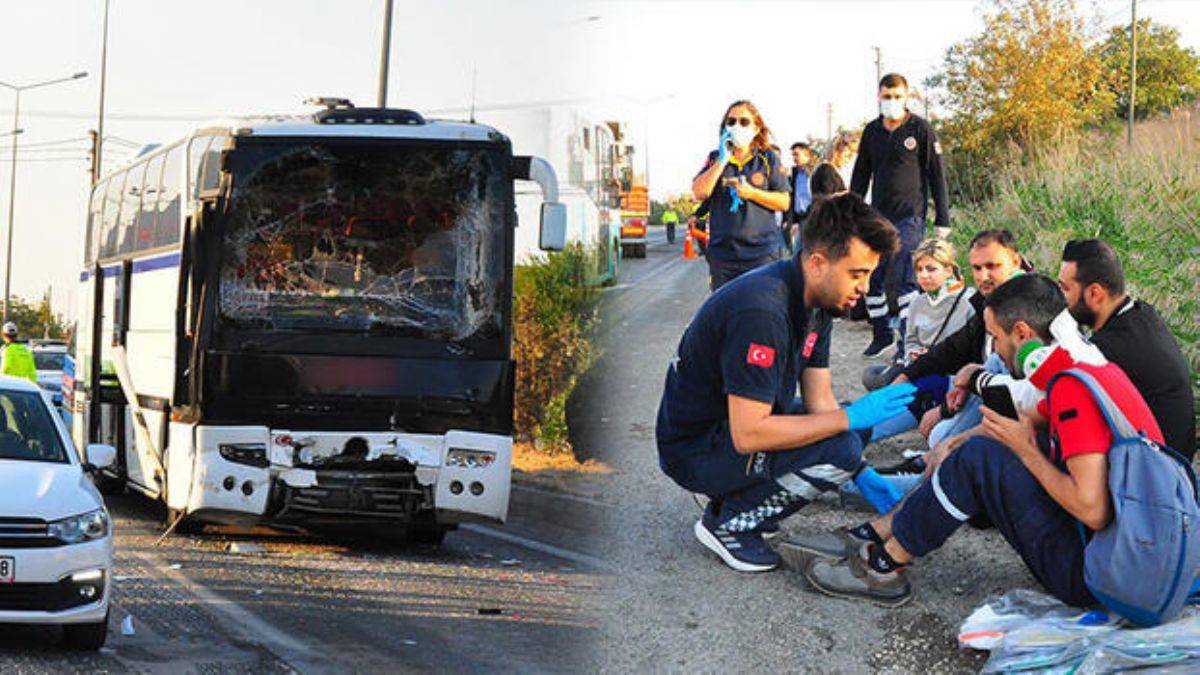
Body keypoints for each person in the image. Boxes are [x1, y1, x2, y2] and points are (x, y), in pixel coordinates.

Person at [794, 274, 1168, 608]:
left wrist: (1021, 450)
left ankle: (883, 567)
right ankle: (877, 533)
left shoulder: (1071, 390)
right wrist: (954, 443)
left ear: (1022, 334)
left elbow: (1092, 509)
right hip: (1132, 559)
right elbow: (1028, 417)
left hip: (1099, 577)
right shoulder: (1087, 367)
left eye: (996, 338)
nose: (996, 349)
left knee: (979, 458)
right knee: (976, 448)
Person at [655, 193, 914, 572]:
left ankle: (737, 496)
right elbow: (749, 434)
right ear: (817, 263)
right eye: (857, 274)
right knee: (841, 441)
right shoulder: (762, 311)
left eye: (869, 274)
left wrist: (860, 470)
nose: (864, 287)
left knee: (850, 435)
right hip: (695, 449)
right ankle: (730, 524)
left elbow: (820, 402)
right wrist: (846, 431)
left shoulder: (819, 304)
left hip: (728, 429)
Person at [1056, 238, 1195, 459]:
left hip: (1155, 471)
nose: (1061, 298)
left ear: (1094, 294)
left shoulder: (1109, 351)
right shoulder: (1141, 314)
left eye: (1065, 289)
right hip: (1172, 460)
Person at [851, 73, 951, 359]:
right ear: (878, 97)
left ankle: (907, 342)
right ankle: (881, 332)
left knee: (907, 279)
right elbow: (861, 175)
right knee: (872, 276)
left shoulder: (920, 129)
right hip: (877, 217)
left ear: (906, 97)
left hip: (911, 216)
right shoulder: (872, 132)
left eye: (897, 96)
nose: (892, 101)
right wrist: (851, 213)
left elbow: (937, 175)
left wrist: (942, 218)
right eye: (887, 96)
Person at [691, 100, 791, 291]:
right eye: (731, 121)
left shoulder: (767, 158)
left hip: (761, 254)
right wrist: (722, 161)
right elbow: (699, 192)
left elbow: (784, 202)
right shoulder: (715, 158)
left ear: (756, 128)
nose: (737, 126)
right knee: (725, 307)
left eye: (744, 122)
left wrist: (752, 193)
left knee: (759, 306)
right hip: (723, 256)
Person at [862, 238, 975, 392]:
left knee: (888, 386)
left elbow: (970, 350)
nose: (924, 275)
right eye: (919, 269)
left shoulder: (968, 302)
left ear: (948, 270)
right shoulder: (917, 302)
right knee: (870, 375)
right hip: (919, 367)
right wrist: (913, 352)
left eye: (931, 269)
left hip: (950, 373)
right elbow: (910, 340)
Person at [786, 142, 816, 253]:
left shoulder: (815, 172)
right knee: (798, 253)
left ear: (806, 154)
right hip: (801, 219)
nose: (794, 158)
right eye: (793, 155)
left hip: (814, 217)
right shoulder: (795, 173)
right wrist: (794, 221)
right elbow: (794, 197)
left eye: (796, 154)